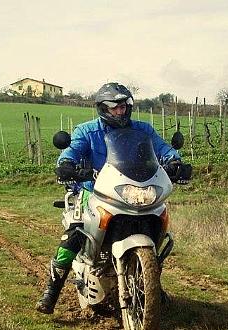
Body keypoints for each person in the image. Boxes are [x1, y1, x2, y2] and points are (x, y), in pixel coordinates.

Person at [36, 82, 186, 314]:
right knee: (74, 236)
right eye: (115, 107)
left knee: (158, 231)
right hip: (93, 192)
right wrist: (66, 164)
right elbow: (72, 151)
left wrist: (175, 162)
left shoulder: (143, 130)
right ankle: (51, 291)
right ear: (103, 108)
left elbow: (163, 149)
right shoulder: (87, 131)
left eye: (124, 106)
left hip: (136, 190)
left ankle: (150, 284)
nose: (120, 111)